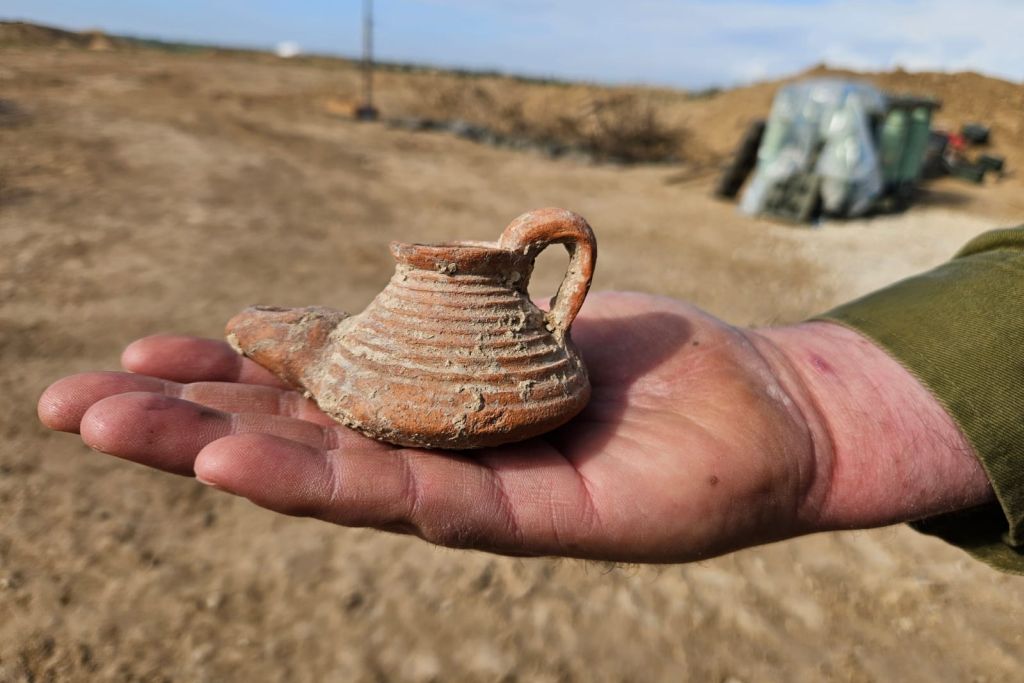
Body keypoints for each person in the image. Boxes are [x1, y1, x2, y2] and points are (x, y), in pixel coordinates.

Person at [37, 226, 1024, 573]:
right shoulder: (342, 352)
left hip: (491, 338)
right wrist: (834, 395)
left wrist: (819, 405)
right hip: (499, 348)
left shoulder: (363, 358)